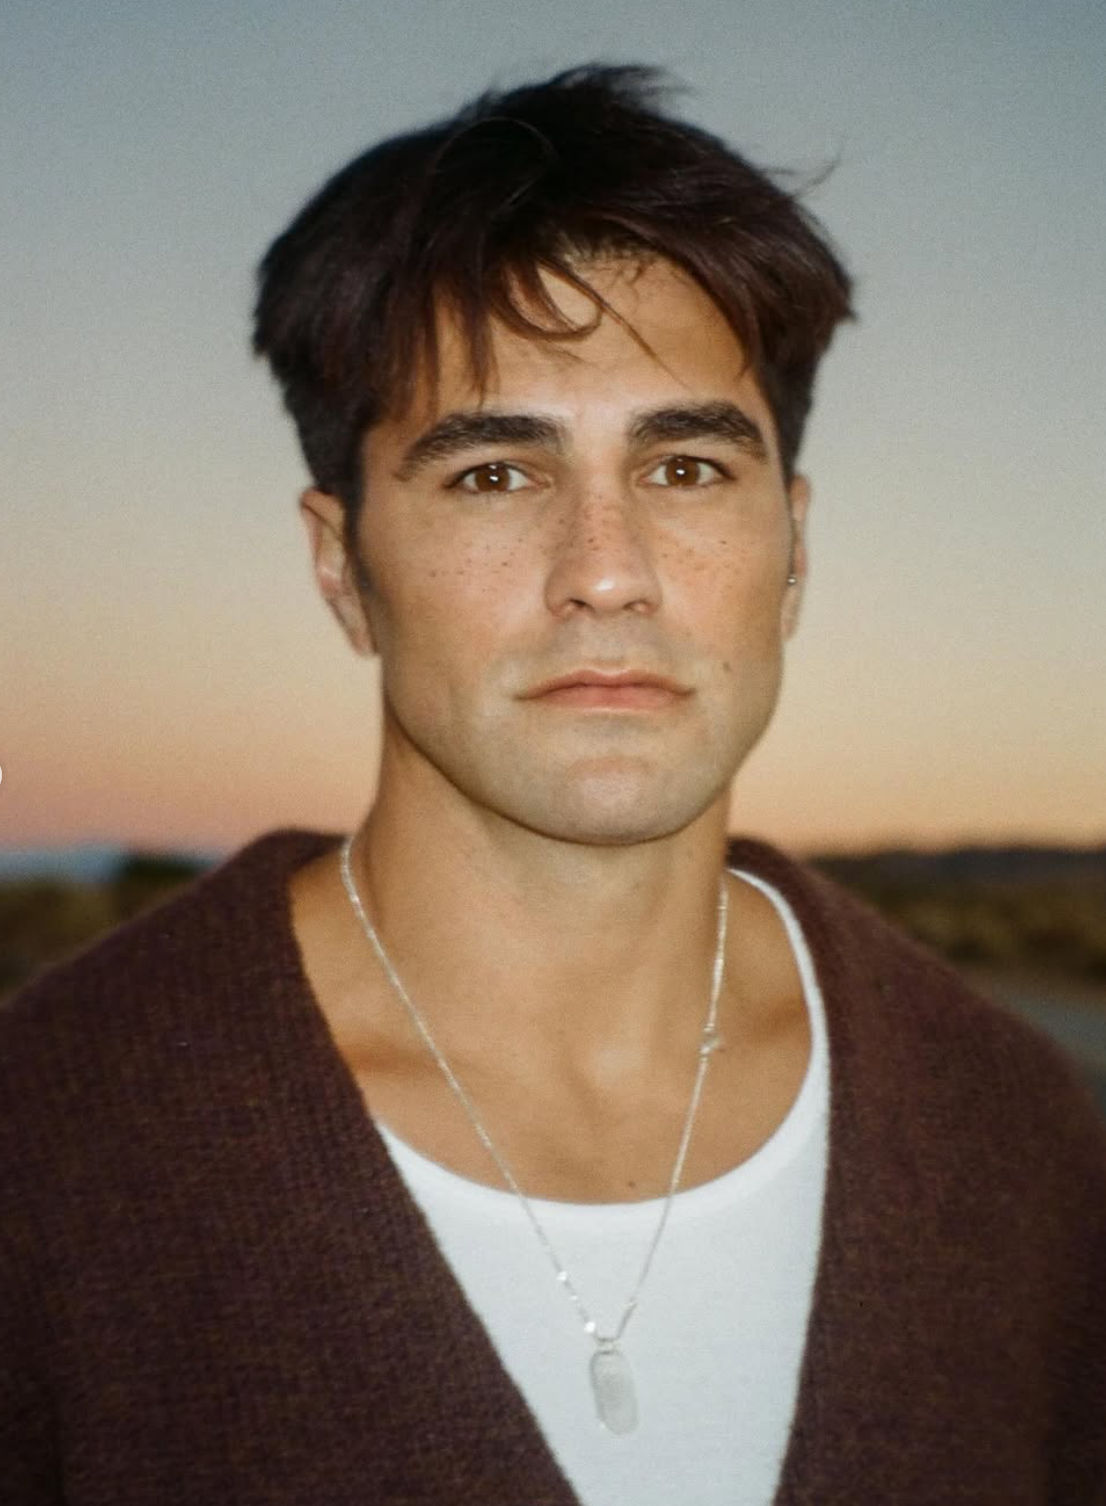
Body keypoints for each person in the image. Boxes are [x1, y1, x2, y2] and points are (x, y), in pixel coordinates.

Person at [1, 65, 1103, 1506]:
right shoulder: (47, 1152)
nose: (604, 570)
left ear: (795, 552)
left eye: (690, 465)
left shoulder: (1021, 1142)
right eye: (492, 476)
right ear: (342, 569)